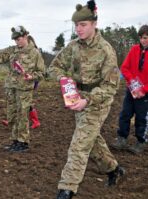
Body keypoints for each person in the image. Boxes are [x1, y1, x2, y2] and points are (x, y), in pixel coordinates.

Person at [48, 1, 125, 198]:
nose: (78, 29)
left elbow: (110, 87)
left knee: (79, 144)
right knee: (91, 139)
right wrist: (65, 81)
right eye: (76, 25)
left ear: (94, 24)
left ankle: (67, 189)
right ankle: (114, 169)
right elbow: (54, 67)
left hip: (98, 102)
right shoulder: (73, 46)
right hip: (77, 98)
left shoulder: (106, 50)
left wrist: (88, 100)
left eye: (83, 25)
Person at [0, 26, 45, 152]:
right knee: (12, 115)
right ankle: (15, 140)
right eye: (15, 40)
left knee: (22, 115)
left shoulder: (35, 53)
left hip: (24, 89)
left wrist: (32, 76)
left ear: (25, 37)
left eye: (18, 39)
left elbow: (42, 73)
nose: (16, 42)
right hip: (11, 88)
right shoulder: (12, 50)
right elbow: (0, 57)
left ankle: (23, 142)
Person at [111, 25, 148, 154]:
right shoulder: (134, 50)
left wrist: (143, 89)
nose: (145, 40)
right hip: (131, 90)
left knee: (141, 118)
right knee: (125, 114)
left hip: (144, 94)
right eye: (144, 38)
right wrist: (132, 82)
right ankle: (122, 138)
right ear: (140, 38)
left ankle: (140, 142)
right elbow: (125, 68)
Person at [1, 36, 41, 129]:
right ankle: (12, 119)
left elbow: (38, 70)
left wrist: (31, 77)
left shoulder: (34, 53)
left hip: (30, 81)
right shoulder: (20, 51)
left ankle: (35, 121)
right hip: (18, 81)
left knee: (26, 102)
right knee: (15, 100)